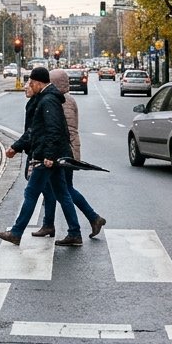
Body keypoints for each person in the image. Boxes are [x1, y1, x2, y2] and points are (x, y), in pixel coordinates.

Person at [0, 66, 83, 247]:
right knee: (62, 193)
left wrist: (49, 155)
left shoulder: (48, 100)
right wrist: (16, 147)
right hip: (53, 154)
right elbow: (36, 131)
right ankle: (75, 233)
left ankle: (16, 232)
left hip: (46, 157)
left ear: (37, 82)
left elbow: (52, 130)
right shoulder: (47, 98)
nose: (28, 85)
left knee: (31, 192)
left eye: (30, 82)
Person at [34, 69, 105, 239]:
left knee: (63, 190)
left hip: (63, 151)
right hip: (68, 149)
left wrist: (51, 153)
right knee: (53, 189)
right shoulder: (67, 99)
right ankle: (49, 225)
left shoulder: (59, 101)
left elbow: (57, 130)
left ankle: (91, 219)